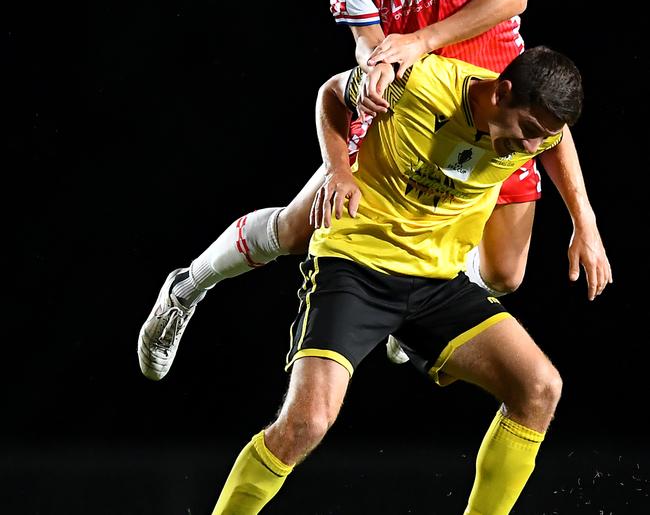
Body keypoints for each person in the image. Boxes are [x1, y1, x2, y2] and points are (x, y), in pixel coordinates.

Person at [137, 0, 611, 383]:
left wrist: (586, 221)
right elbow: (368, 42)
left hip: (490, 103)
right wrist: (378, 72)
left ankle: (419, 311)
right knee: (305, 226)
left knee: (504, 273)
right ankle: (188, 286)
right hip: (414, 102)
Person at [209, 45, 593, 514]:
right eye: (528, 131)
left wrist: (585, 223)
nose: (531, 148)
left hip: (437, 284)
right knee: (306, 423)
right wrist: (338, 170)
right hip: (355, 266)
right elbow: (331, 92)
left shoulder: (538, 130)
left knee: (539, 388)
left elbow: (558, 140)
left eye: (542, 138)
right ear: (501, 92)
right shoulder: (419, 82)